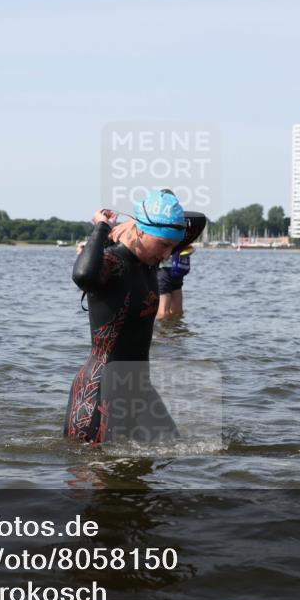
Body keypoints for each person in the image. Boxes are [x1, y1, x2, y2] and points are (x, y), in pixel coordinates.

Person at [64, 190, 188, 444]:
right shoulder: (111, 262)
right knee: (96, 473)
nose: (167, 255)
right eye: (164, 245)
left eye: (172, 248)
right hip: (100, 390)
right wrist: (101, 227)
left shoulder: (147, 264)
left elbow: (195, 222)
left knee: (173, 453)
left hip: (138, 388)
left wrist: (136, 220)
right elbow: (83, 275)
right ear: (141, 233)